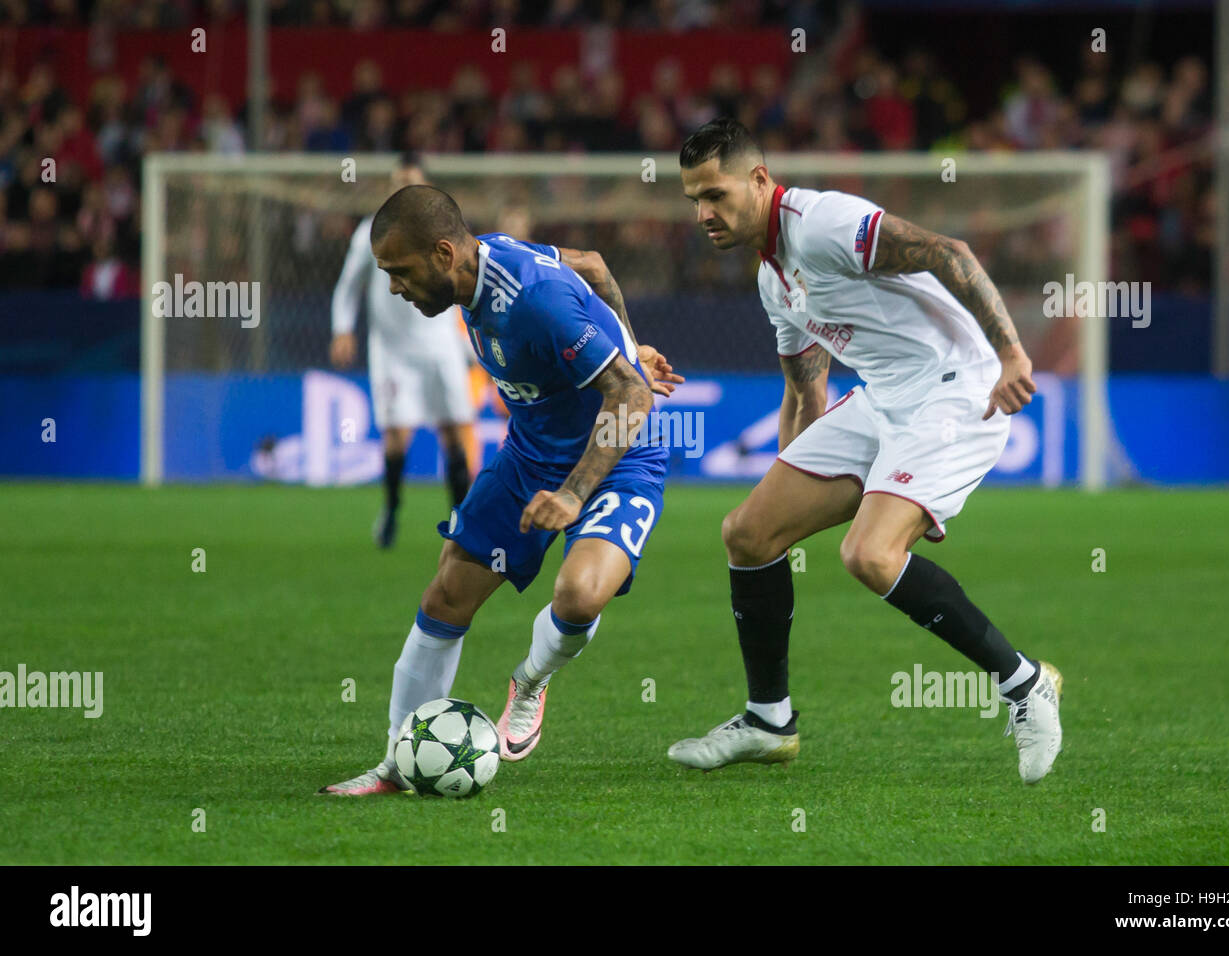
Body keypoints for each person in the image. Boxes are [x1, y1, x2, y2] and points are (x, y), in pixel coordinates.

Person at [669, 118, 1063, 784]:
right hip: (883, 401)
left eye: (716, 195)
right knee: (747, 533)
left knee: (869, 554)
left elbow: (951, 253)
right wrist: (787, 500)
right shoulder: (773, 281)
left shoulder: (822, 224)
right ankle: (769, 720)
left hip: (957, 389)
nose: (705, 214)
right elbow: (804, 393)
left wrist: (1012, 354)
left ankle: (1026, 685)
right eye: (693, 201)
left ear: (759, 180)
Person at [320, 185, 682, 794]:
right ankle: (396, 763)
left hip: (619, 457)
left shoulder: (534, 300)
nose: (393, 289)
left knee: (579, 597)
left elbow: (633, 395)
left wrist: (574, 489)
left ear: (442, 253)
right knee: (445, 597)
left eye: (399, 272)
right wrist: (621, 341)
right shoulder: (479, 261)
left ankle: (531, 681)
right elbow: (591, 264)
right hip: (529, 457)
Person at [330, 156, 475, 547]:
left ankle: (462, 524)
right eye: (397, 182)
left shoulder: (443, 232)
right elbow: (349, 284)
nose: (401, 189)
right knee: (397, 436)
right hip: (392, 351)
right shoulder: (371, 233)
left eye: (410, 182)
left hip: (440, 344)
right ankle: (392, 508)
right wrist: (342, 328)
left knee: (453, 432)